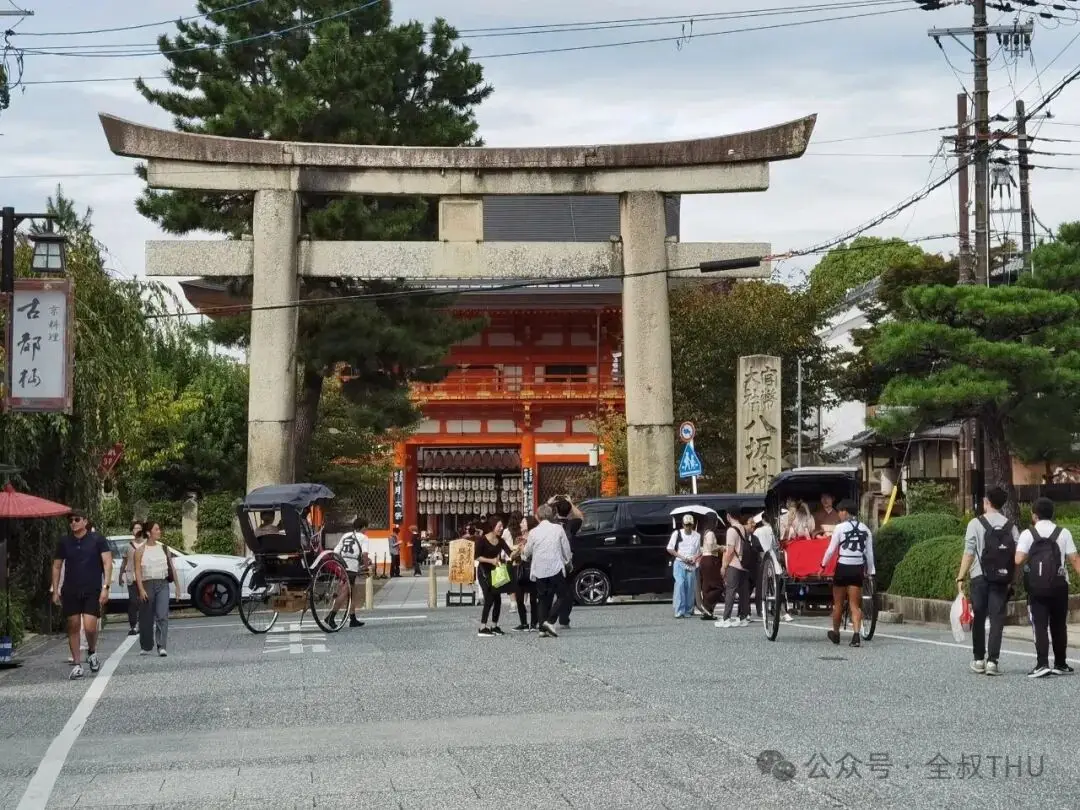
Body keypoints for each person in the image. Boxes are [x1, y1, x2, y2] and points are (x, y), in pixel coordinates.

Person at [955, 486, 1018, 676]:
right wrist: (1011, 579)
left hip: (979, 577)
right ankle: (993, 661)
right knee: (997, 619)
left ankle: (978, 659)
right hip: (1001, 578)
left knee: (980, 617)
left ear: (987, 502)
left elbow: (969, 552)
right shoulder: (1011, 526)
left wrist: (960, 576)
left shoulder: (975, 523)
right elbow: (1016, 557)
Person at [1015, 497, 1080, 678]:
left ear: (1034, 515)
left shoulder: (1028, 534)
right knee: (1059, 625)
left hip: (1037, 587)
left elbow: (1018, 559)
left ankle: (1042, 663)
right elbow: (1074, 559)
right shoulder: (1063, 532)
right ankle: (1060, 663)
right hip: (1060, 585)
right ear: (1052, 514)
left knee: (1040, 624)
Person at [51, 510, 112, 680]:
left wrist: (106, 586)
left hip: (92, 589)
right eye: (71, 520)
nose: (73, 523)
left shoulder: (97, 540)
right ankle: (77, 664)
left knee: (90, 626)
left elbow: (107, 562)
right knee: (73, 624)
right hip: (70, 589)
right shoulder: (64, 542)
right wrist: (55, 590)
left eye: (77, 519)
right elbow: (57, 566)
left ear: (85, 521)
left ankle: (92, 652)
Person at [819, 500, 875, 648]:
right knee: (855, 605)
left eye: (840, 511)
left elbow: (831, 550)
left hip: (843, 567)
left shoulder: (840, 528)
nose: (839, 514)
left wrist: (822, 565)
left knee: (838, 604)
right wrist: (870, 572)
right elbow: (869, 554)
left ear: (845, 511)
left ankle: (836, 633)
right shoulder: (866, 529)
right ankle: (856, 636)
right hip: (857, 568)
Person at [523, 504, 573, 638]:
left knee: (543, 598)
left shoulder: (533, 532)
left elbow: (527, 551)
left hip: (539, 569)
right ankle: (550, 621)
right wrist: (568, 561)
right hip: (555, 567)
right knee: (563, 595)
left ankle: (541, 628)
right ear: (550, 515)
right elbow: (566, 548)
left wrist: (524, 555)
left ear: (538, 517)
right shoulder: (558, 529)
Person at [134, 521, 180, 657]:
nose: (159, 531)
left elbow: (172, 568)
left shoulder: (164, 549)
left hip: (163, 584)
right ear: (149, 533)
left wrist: (177, 587)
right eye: (157, 529)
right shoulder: (140, 550)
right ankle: (146, 646)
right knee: (146, 616)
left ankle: (161, 646)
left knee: (162, 615)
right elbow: (137, 572)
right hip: (147, 583)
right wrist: (141, 589)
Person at [474, 517, 512, 637]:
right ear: (493, 526)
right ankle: (482, 627)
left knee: (498, 600)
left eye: (502, 526)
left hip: (496, 573)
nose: (501, 528)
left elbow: (509, 552)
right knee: (489, 598)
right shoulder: (482, 540)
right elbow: (477, 557)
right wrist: (491, 560)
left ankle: (494, 625)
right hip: (483, 572)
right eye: (499, 526)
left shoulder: (500, 540)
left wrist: (518, 551)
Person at [716, 508, 754, 629]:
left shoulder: (731, 530)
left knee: (730, 591)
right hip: (744, 564)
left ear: (728, 516)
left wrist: (724, 566)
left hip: (734, 564)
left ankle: (726, 618)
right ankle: (743, 617)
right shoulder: (743, 528)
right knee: (743, 592)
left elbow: (730, 551)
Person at [330, 516, 370, 629]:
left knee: (352, 592)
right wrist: (366, 567)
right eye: (366, 527)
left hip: (341, 564)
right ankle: (331, 616)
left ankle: (352, 618)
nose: (366, 530)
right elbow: (365, 554)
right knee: (345, 591)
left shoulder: (346, 535)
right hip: (351, 567)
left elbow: (336, 551)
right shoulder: (364, 537)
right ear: (363, 527)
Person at [550, 495, 583, 628]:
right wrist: (570, 503)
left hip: (552, 560)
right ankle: (564, 619)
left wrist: (550, 503)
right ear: (569, 511)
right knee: (567, 591)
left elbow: (539, 515)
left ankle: (546, 618)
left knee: (553, 591)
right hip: (567, 561)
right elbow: (580, 516)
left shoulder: (551, 523)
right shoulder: (573, 523)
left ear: (556, 510)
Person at [668, 514, 702, 619]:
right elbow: (670, 548)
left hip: (691, 564)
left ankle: (688, 610)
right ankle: (679, 610)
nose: (688, 527)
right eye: (686, 525)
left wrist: (695, 558)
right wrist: (682, 557)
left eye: (690, 525)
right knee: (680, 585)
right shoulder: (677, 533)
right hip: (679, 562)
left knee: (690, 587)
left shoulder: (697, 535)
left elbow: (699, 551)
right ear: (683, 524)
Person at [511, 515, 539, 631]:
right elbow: (513, 555)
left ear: (529, 524)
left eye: (523, 522)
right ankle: (523, 623)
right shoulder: (518, 538)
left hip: (533, 568)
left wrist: (523, 550)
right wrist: (517, 550)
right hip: (520, 569)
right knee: (519, 598)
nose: (521, 524)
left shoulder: (536, 537)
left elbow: (533, 554)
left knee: (533, 598)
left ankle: (533, 623)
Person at [117, 521, 145, 637]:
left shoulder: (147, 545)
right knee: (133, 602)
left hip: (145, 578)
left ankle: (143, 624)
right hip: (131, 578)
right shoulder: (127, 546)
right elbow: (124, 562)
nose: (137, 530)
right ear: (132, 531)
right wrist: (120, 575)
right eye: (135, 528)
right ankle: (133, 626)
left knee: (144, 602)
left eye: (139, 528)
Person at [696, 512, 724, 621]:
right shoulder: (711, 533)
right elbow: (712, 548)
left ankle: (708, 611)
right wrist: (722, 547)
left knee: (707, 585)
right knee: (717, 586)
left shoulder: (705, 532)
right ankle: (707, 605)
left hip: (705, 559)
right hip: (710, 559)